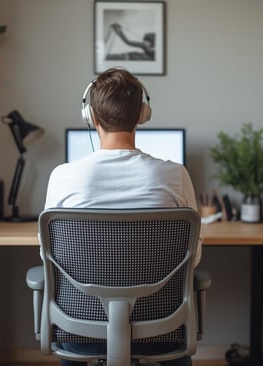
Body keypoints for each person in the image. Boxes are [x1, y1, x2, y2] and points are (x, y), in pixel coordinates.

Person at [44, 67, 202, 366]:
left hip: (79, 331)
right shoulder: (175, 176)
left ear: (90, 116)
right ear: (143, 113)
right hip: (162, 331)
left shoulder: (62, 177)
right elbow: (192, 260)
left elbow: (48, 257)